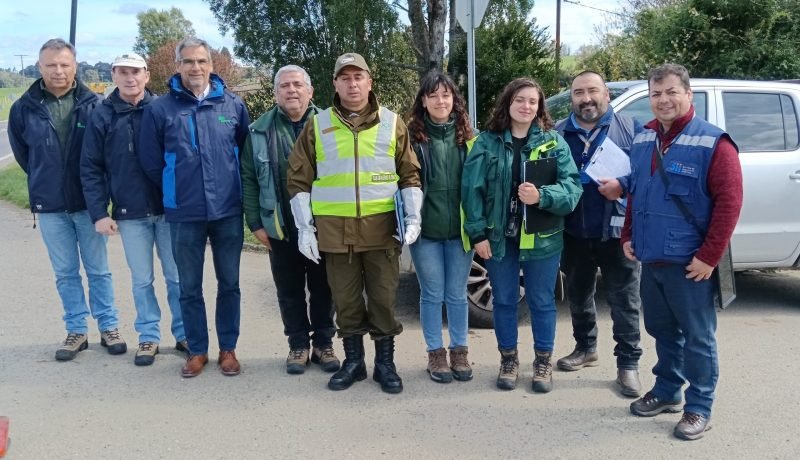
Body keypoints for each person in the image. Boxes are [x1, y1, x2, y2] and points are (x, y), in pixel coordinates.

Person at [287, 52, 422, 394]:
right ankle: (353, 363)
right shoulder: (318, 125)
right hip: (336, 233)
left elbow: (410, 174)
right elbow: (298, 179)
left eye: (358, 77)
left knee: (383, 300)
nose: (352, 83)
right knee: (346, 302)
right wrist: (305, 228)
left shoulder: (392, 123)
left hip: (381, 230)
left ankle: (385, 365)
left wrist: (413, 216)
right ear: (335, 83)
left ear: (369, 81)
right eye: (344, 78)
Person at [622, 63, 743, 440]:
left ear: (688, 94)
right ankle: (667, 390)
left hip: (691, 262)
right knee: (660, 329)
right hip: (651, 256)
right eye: (656, 94)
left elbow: (730, 202)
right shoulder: (644, 139)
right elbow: (636, 191)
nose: (663, 100)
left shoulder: (713, 142)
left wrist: (709, 256)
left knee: (697, 335)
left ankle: (699, 407)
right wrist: (628, 234)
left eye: (672, 92)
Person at [8, 38, 126, 361]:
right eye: (51, 65)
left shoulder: (95, 104)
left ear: (75, 66)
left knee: (99, 270)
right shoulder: (23, 108)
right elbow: (24, 155)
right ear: (39, 66)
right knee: (65, 272)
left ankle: (109, 326)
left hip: (89, 205)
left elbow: (105, 154)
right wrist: (44, 178)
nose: (58, 71)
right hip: (50, 206)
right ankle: (76, 330)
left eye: (64, 64)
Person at [138, 37, 250, 378]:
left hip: (228, 211)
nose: (195, 68)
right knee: (189, 286)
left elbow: (242, 153)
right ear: (178, 66)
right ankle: (198, 350)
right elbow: (150, 160)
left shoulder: (232, 106)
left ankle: (227, 349)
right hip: (184, 213)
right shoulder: (160, 109)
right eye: (188, 62)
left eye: (201, 61)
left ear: (212, 65)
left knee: (229, 283)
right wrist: (176, 188)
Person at [461, 78, 582, 393]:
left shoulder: (554, 143)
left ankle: (542, 362)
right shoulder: (486, 143)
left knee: (542, 301)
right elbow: (470, 193)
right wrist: (477, 234)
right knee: (504, 300)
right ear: (508, 103)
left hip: (541, 237)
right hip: (499, 237)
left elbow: (572, 189)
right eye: (520, 100)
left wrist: (542, 196)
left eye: (533, 101)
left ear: (539, 107)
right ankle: (509, 359)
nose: (526, 106)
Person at [80, 52, 187, 366]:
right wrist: (99, 212)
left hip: (170, 211)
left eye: (136, 72)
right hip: (130, 213)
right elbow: (91, 167)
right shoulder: (101, 115)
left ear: (147, 75)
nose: (130, 78)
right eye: (123, 72)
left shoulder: (164, 109)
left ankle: (184, 334)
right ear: (113, 75)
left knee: (177, 278)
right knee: (142, 280)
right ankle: (149, 337)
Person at [240, 65, 340, 375]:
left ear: (310, 91)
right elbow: (249, 179)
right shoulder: (258, 131)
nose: (292, 90)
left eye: (298, 84)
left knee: (325, 288)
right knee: (289, 290)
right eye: (285, 85)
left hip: (324, 227)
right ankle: (298, 345)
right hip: (281, 227)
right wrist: (256, 223)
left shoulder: (331, 125)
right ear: (275, 93)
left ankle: (324, 343)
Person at [554, 70, 643, 397]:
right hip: (574, 231)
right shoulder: (558, 133)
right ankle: (586, 348)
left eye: (593, 91)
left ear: (606, 94)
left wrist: (623, 186)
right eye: (579, 92)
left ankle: (628, 365)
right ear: (572, 97)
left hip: (618, 232)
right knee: (578, 294)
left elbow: (647, 178)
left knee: (625, 300)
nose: (586, 98)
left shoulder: (633, 130)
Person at [406, 71, 475, 384]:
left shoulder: (470, 139)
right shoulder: (410, 138)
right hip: (426, 233)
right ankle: (436, 353)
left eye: (445, 95)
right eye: (433, 95)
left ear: (454, 100)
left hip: (460, 233)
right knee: (432, 294)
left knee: (457, 294)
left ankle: (459, 350)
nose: (440, 101)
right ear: (423, 101)